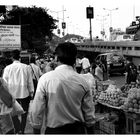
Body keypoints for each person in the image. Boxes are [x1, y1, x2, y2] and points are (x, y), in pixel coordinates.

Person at [29, 42, 95, 134]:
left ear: (56, 58)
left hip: (54, 131)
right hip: (77, 131)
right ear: (75, 59)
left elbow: (37, 109)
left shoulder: (45, 79)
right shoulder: (83, 81)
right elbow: (89, 114)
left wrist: (36, 131)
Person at [2, 50, 34, 134]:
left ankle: (17, 128)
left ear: (12, 58)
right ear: (19, 57)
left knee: (13, 113)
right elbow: (30, 81)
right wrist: (31, 92)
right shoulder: (26, 67)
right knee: (24, 113)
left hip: (12, 94)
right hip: (24, 93)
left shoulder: (7, 68)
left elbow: (4, 83)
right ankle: (22, 131)